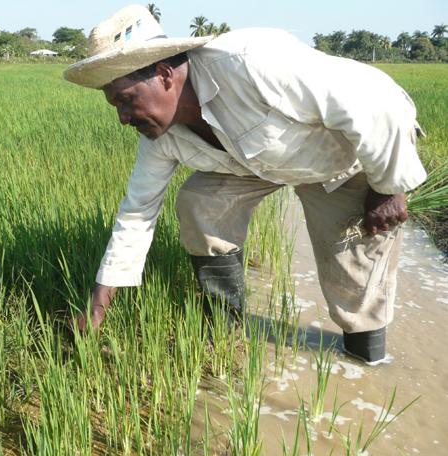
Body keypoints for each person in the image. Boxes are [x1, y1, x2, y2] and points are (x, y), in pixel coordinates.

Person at [63, 5, 426, 363]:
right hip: (258, 164)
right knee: (199, 200)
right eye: (115, 106)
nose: (123, 118)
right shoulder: (161, 135)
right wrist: (98, 307)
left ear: (163, 74)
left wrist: (387, 187)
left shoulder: (250, 63)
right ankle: (225, 323)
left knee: (355, 276)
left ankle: (365, 363)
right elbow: (137, 213)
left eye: (126, 100)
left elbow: (378, 105)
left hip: (340, 156)